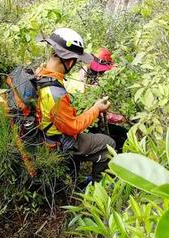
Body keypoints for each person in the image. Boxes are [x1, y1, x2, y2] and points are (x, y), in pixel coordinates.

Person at [35, 28, 116, 182]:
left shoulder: (40, 72)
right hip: (57, 140)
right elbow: (73, 127)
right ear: (70, 61)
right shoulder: (55, 94)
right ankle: (98, 189)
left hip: (45, 132)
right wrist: (96, 109)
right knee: (108, 144)